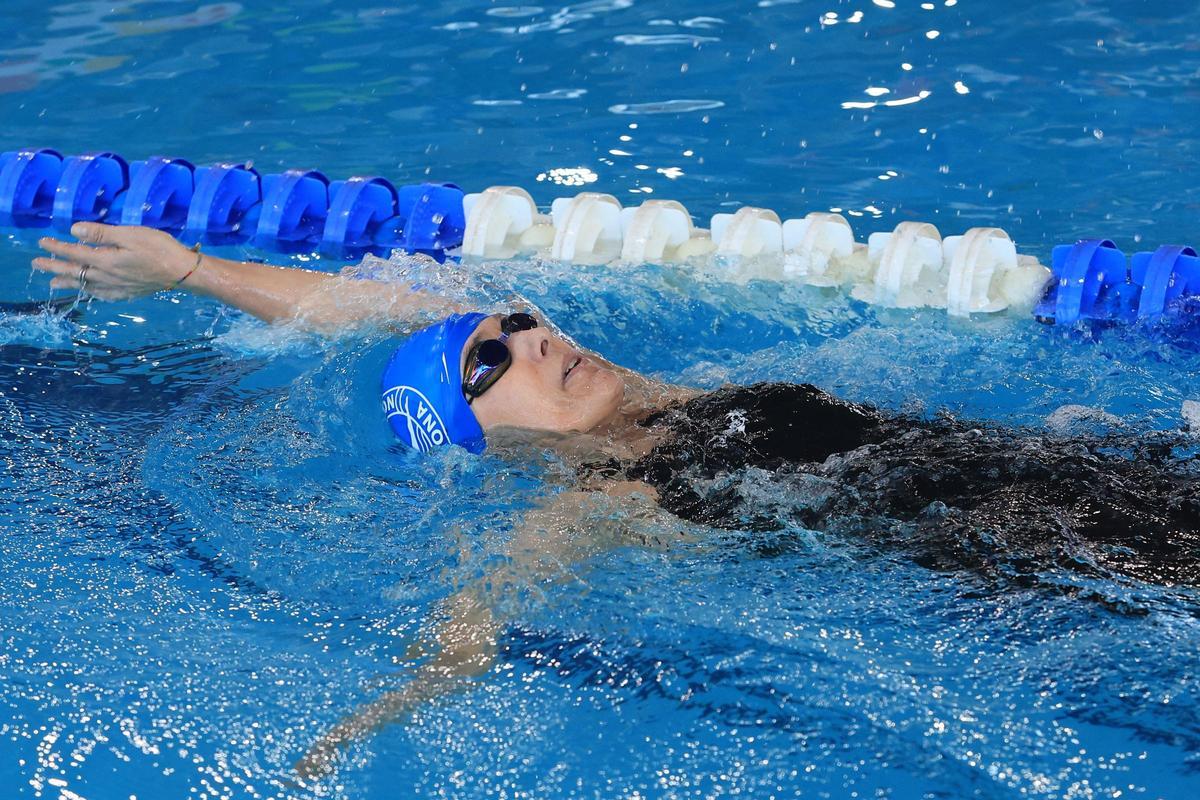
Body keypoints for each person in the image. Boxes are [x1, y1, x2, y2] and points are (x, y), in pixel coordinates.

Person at [33, 222, 1200, 778]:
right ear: (472, 441)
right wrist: (350, 738)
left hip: (1087, 469)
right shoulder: (607, 493)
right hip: (1055, 551)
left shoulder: (659, 393)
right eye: (491, 365)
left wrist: (191, 267)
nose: (531, 343)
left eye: (525, 324)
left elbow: (396, 310)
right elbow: (471, 627)